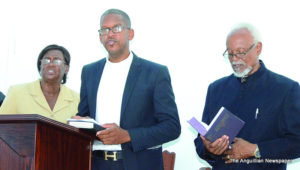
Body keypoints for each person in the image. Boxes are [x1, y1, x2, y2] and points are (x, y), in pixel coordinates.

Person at [74, 9, 181, 170]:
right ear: (100, 36)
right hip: (96, 163)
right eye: (104, 30)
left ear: (130, 34)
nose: (110, 34)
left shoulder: (155, 73)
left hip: (138, 164)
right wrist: (80, 122)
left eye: (116, 28)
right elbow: (85, 116)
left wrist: (127, 136)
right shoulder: (89, 72)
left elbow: (171, 127)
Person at [194, 23, 300, 170]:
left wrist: (255, 150)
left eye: (241, 52)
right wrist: (209, 148)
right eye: (230, 53)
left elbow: (297, 143)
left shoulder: (286, 89)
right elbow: (201, 141)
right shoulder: (216, 89)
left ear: (258, 48)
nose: (234, 59)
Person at [0, 44, 79, 123]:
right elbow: (2, 126)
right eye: (46, 60)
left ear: (66, 68)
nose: (50, 64)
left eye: (56, 61)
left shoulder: (77, 99)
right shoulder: (16, 93)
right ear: (40, 65)